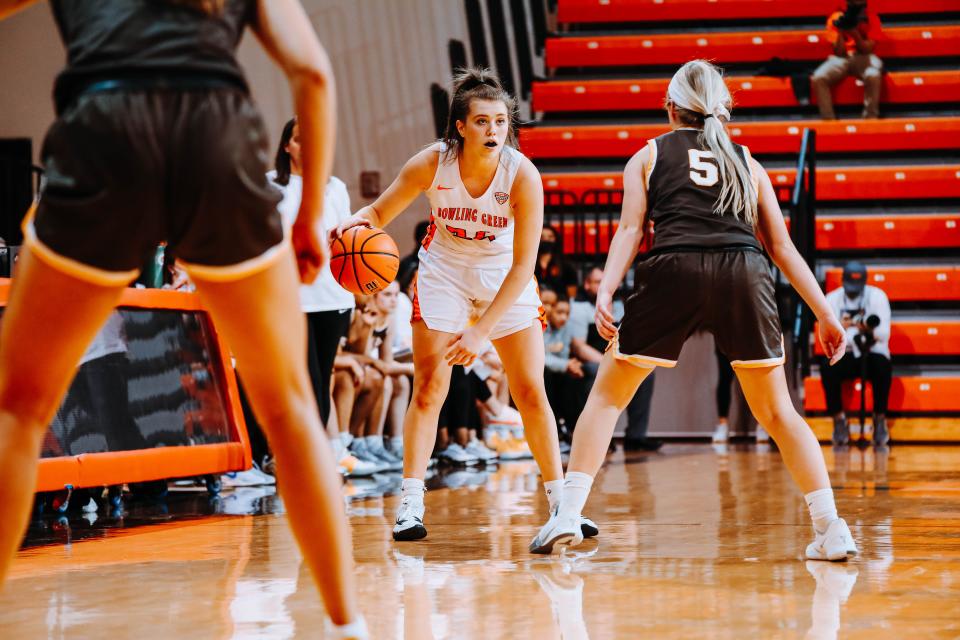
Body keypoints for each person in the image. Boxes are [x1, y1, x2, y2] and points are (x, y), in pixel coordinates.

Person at [0, 1, 366, 636]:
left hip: (104, 129)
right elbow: (312, 72)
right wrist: (310, 220)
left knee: (19, 411)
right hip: (214, 132)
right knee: (288, 408)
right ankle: (345, 625)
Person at [533, 60, 857, 563]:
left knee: (606, 399)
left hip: (674, 268)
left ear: (670, 110)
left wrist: (606, 289)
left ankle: (568, 514)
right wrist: (826, 313)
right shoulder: (747, 161)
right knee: (778, 413)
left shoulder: (648, 154)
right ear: (723, 111)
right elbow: (783, 248)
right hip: (743, 272)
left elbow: (629, 231)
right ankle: (831, 527)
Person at [333, 67, 596, 544]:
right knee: (430, 387)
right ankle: (410, 501)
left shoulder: (522, 175)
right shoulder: (431, 164)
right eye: (482, 122)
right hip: (445, 270)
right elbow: (375, 214)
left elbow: (523, 269)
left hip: (502, 274)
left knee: (530, 391)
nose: (493, 130)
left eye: (500, 122)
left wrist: (480, 332)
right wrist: (349, 228)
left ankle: (562, 505)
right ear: (460, 126)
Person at [821, 261, 892, 446]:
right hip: (846, 351)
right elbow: (829, 336)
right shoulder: (831, 299)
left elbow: (883, 335)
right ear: (842, 280)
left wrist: (860, 327)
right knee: (827, 367)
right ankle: (838, 420)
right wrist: (844, 328)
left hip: (872, 350)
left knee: (883, 367)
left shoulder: (877, 296)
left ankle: (879, 419)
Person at [811, 0, 884, 120]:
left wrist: (855, 33)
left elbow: (867, 50)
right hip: (841, 59)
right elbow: (839, 53)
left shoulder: (871, 18)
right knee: (819, 77)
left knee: (874, 74)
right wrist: (840, 30)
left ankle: (870, 118)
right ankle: (829, 121)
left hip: (863, 57)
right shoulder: (835, 18)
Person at [536, 225, 578, 300]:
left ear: (556, 239)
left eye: (550, 237)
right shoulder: (529, 265)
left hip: (559, 307)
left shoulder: (567, 267)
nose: (546, 240)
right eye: (541, 237)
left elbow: (572, 297)